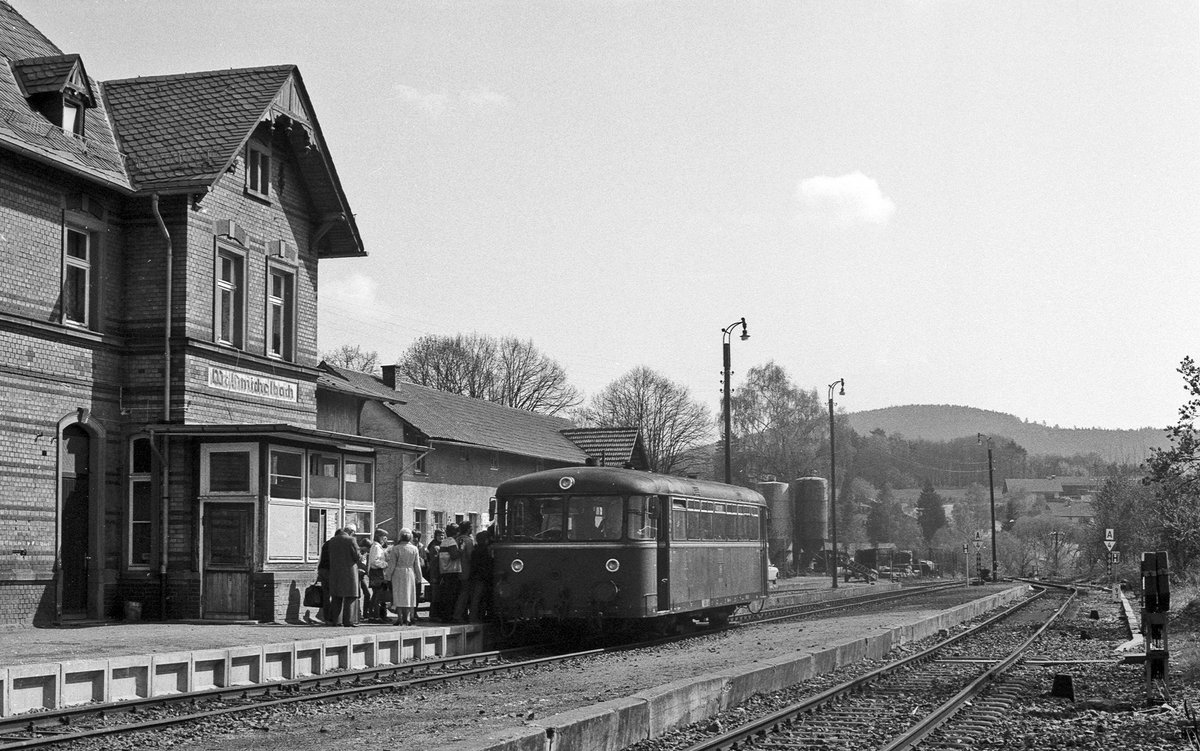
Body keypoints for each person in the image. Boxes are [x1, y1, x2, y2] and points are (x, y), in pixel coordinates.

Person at [323, 524, 363, 627]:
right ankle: (348, 621)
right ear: (352, 532)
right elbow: (357, 556)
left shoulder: (332, 541)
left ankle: (336, 621)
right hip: (349, 572)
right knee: (350, 596)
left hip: (335, 572)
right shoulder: (351, 540)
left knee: (336, 597)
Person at [384, 528, 424, 625]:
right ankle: (409, 617)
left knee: (399, 595)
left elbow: (392, 564)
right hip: (410, 572)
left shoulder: (396, 548)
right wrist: (419, 577)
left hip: (398, 572)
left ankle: (400, 618)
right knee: (409, 595)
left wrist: (387, 576)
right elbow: (417, 565)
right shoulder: (414, 549)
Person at [436, 524, 462, 622]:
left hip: (444, 570)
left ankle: (445, 616)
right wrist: (461, 550)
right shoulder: (451, 541)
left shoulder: (444, 541)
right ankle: (449, 616)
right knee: (451, 595)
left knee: (446, 594)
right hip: (452, 570)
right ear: (457, 532)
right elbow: (454, 556)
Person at [467, 528, 493, 623]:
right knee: (478, 598)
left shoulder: (475, 549)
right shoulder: (486, 550)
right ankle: (474, 617)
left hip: (476, 575)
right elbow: (488, 563)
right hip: (482, 576)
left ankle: (475, 616)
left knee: (476, 597)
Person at [366, 529, 391, 622]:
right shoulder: (376, 547)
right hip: (376, 573)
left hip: (379, 573)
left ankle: (379, 615)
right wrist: (385, 564)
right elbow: (374, 561)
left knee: (379, 595)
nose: (386, 539)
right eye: (384, 537)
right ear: (380, 537)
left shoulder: (379, 547)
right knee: (377, 595)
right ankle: (374, 616)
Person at [452, 521, 474, 622]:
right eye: (471, 527)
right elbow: (470, 557)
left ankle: (458, 614)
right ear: (468, 529)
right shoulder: (468, 541)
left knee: (458, 593)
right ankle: (458, 615)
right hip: (466, 570)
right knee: (464, 593)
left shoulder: (456, 539)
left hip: (455, 569)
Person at [425, 528, 443, 618]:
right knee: (435, 595)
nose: (441, 537)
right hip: (435, 573)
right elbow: (434, 562)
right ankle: (433, 615)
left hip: (437, 573)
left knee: (437, 594)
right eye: (439, 535)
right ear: (436, 536)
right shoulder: (435, 546)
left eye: (443, 535)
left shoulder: (440, 545)